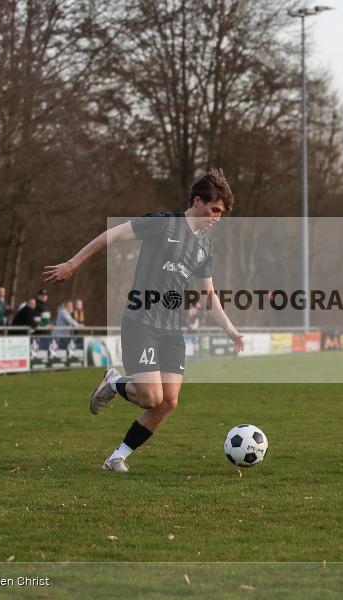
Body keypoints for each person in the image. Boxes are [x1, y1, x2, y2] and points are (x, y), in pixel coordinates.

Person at [43, 168, 244, 473]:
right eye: (215, 210)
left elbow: (208, 294)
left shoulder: (204, 248)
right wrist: (73, 264)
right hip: (142, 320)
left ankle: (117, 457)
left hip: (172, 329)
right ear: (198, 201)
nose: (216, 218)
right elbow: (112, 235)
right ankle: (114, 382)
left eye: (221, 214)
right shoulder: (163, 224)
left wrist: (230, 330)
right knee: (151, 396)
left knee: (168, 402)